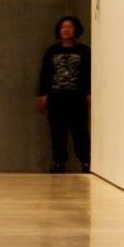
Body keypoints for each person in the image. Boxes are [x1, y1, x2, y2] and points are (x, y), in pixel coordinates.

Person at [36, 16, 92, 173]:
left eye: (70, 27)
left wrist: (89, 92)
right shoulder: (52, 51)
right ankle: (59, 161)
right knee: (57, 131)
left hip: (77, 97)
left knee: (80, 130)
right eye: (63, 27)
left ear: (76, 30)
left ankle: (86, 161)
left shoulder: (84, 51)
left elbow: (89, 73)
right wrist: (43, 94)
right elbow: (45, 73)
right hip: (56, 98)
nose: (66, 30)